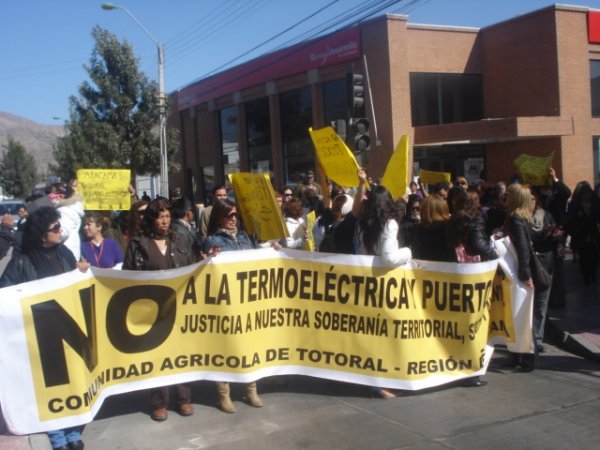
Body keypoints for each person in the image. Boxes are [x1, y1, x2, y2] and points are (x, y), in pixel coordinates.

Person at [0, 206, 89, 450]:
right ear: (42, 234)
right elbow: (5, 294)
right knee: (49, 387)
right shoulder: (21, 263)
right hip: (39, 336)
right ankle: (57, 436)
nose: (60, 231)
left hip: (67, 330)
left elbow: (77, 286)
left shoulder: (65, 255)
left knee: (72, 382)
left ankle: (73, 431)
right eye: (55, 228)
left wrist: (81, 271)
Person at [122, 198, 197, 421]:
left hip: (178, 307)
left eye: (167, 216)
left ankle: (184, 398)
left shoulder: (180, 240)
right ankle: (159, 402)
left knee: (180, 354)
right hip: (151, 310)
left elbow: (193, 266)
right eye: (160, 217)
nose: (164, 221)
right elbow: (127, 276)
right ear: (151, 220)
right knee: (157, 356)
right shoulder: (138, 244)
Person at [354, 169, 412, 399]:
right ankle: (380, 384)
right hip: (384, 285)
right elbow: (389, 257)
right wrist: (407, 252)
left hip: (364, 283)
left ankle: (374, 382)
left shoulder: (362, 224)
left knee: (371, 335)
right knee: (386, 335)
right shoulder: (389, 224)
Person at [202, 199, 263, 412]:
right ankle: (224, 394)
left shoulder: (246, 237)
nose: (233, 219)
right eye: (229, 215)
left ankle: (251, 388)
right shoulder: (212, 240)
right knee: (224, 346)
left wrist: (272, 251)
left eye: (235, 215)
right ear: (219, 218)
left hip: (246, 300)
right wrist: (209, 258)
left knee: (249, 344)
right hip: (225, 302)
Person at [506, 183, 553, 371]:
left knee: (524, 316)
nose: (506, 198)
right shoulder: (521, 218)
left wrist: (525, 275)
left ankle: (527, 358)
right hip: (522, 271)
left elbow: (523, 248)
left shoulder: (516, 219)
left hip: (522, 273)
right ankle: (519, 355)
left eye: (509, 195)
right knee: (522, 315)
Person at [564, 181, 600, 285]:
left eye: (588, 193)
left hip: (594, 234)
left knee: (595, 256)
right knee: (584, 257)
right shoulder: (575, 205)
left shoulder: (596, 203)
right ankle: (586, 276)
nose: (587, 196)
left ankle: (593, 273)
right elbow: (570, 220)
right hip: (581, 235)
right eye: (585, 194)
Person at [412, 195, 455, 262]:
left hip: (425, 267)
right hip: (448, 267)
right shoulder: (449, 228)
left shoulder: (418, 229)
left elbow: (415, 254)